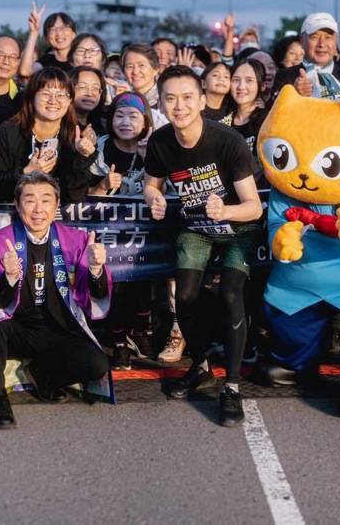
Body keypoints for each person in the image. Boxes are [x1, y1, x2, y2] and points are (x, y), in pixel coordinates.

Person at [144, 65, 264, 427]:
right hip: (196, 225)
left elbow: (254, 207)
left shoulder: (227, 140)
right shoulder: (160, 141)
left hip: (239, 226)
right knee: (185, 296)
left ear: (201, 101)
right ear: (161, 103)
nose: (179, 106)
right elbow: (152, 185)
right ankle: (199, 366)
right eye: (170, 99)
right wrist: (154, 199)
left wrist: (226, 210)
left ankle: (232, 386)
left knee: (230, 293)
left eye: (187, 98)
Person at [0, 172, 111, 428]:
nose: (38, 209)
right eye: (29, 200)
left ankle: (44, 376)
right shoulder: (0, 242)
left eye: (46, 200)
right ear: (17, 205)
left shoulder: (76, 240)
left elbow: (92, 297)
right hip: (16, 330)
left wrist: (95, 270)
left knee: (97, 364)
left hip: (58, 329)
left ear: (56, 205)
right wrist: (8, 278)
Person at [88, 93, 154, 367]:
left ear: (145, 121)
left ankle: (140, 330)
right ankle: (118, 341)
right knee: (116, 286)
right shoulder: (99, 148)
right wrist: (103, 185)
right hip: (108, 232)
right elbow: (82, 196)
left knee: (144, 281)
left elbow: (166, 188)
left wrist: (148, 161)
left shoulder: (153, 146)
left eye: (133, 116)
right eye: (119, 115)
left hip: (145, 232)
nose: (125, 122)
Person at [0, 66, 99, 203]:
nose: (53, 100)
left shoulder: (76, 137)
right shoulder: (8, 132)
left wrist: (82, 157)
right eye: (45, 94)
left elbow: (75, 197)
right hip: (12, 211)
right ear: (31, 97)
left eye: (61, 95)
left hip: (57, 213)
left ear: (70, 101)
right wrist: (26, 172)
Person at [227, 58, 268, 183]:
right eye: (236, 80)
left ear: (262, 86)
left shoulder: (267, 120)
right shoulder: (224, 120)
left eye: (249, 80)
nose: (241, 86)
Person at [0, 35, 23, 111]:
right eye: (0, 55)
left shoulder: (23, 97)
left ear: (19, 61)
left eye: (13, 57)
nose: (6, 62)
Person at [71, 65, 108, 133]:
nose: (90, 94)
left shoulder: (105, 124)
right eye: (82, 87)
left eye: (95, 88)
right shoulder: (58, 124)